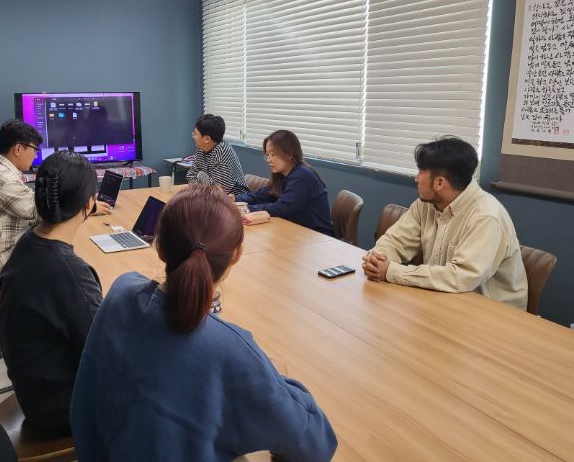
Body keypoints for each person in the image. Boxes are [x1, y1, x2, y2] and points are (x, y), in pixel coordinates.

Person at [71, 185, 337, 461]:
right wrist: (277, 380)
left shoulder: (121, 292)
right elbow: (316, 446)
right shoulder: (232, 350)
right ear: (237, 254)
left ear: (159, 247)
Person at [0, 151, 104, 433]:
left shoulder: (29, 242)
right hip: (59, 409)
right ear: (89, 204)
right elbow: (103, 354)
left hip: (33, 390)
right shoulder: (69, 272)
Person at [362, 136, 527, 310]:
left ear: (440, 182)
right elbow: (395, 241)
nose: (416, 178)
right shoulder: (426, 204)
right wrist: (377, 260)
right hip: (444, 299)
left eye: (420, 172)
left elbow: (460, 277)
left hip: (492, 313)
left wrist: (392, 271)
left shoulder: (485, 216)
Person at [0, 119, 112, 267]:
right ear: (18, 149)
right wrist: (86, 205)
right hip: (3, 258)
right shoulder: (5, 179)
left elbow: (32, 202)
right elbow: (46, 212)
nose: (35, 156)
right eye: (34, 150)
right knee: (74, 258)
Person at [234, 130, 334, 236]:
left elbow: (281, 209)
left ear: (289, 154)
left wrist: (245, 209)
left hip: (318, 237)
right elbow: (262, 195)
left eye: (273, 154)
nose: (269, 159)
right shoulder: (282, 175)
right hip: (297, 233)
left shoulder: (303, 175)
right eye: (267, 155)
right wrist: (235, 200)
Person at [186, 114, 249, 195]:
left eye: (195, 134)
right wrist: (202, 183)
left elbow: (219, 191)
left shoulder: (222, 152)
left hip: (236, 198)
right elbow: (190, 176)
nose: (193, 136)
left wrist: (200, 175)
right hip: (209, 195)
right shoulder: (201, 148)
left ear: (207, 139)